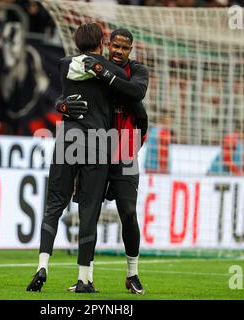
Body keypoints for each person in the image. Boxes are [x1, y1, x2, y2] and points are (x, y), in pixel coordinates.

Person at [27, 23, 134, 293]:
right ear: (102, 43)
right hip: (97, 142)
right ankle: (84, 278)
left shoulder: (65, 64)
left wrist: (61, 104)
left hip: (68, 138)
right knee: (89, 209)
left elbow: (66, 88)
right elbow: (127, 88)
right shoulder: (114, 71)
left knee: (54, 203)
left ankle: (42, 265)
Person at [60, 28, 149, 294]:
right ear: (108, 45)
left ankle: (132, 273)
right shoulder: (95, 68)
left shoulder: (137, 70)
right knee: (90, 213)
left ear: (131, 50)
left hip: (124, 152)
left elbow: (137, 94)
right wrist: (61, 105)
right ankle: (85, 278)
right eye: (116, 46)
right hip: (94, 149)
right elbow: (69, 92)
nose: (119, 51)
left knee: (129, 213)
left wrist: (105, 73)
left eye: (125, 48)